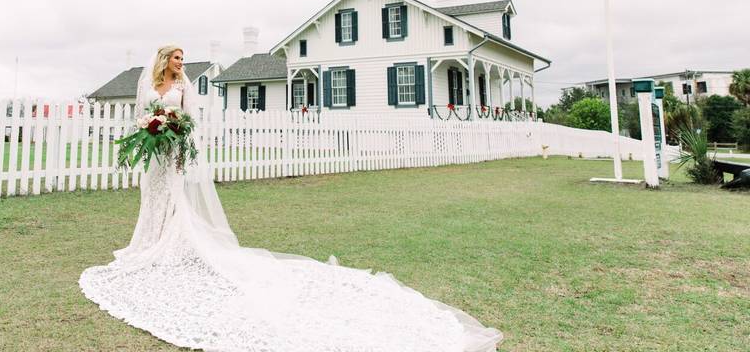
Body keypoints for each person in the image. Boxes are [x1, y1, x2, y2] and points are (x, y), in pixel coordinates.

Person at [79, 44, 502, 351]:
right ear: (164, 60)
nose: (181, 64)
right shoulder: (151, 82)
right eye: (177, 59)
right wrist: (152, 124)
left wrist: (174, 126)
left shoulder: (186, 86)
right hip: (155, 150)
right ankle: (149, 242)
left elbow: (190, 118)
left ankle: (175, 244)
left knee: (175, 201)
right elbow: (141, 113)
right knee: (151, 198)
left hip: (174, 151)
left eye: (183, 60)